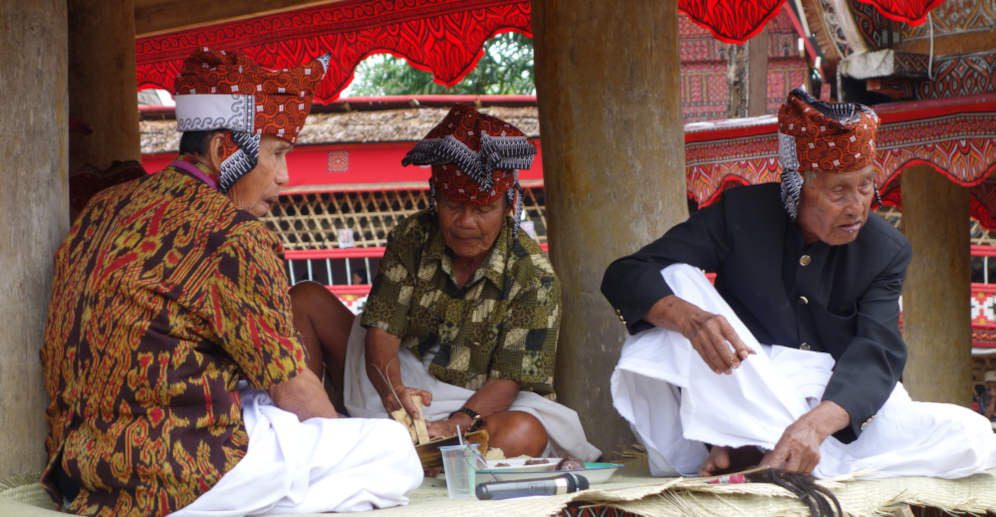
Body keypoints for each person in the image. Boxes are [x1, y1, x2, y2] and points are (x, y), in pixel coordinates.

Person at [40, 49, 422, 517]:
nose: (285, 177)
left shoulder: (105, 206)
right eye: (277, 154)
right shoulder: (235, 235)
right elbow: (292, 389)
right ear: (225, 150)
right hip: (174, 473)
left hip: (80, 470)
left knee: (260, 406)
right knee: (389, 448)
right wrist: (339, 438)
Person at [602, 88, 996, 480]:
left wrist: (813, 427)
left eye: (865, 186)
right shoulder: (741, 214)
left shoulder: (885, 250)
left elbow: (877, 352)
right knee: (673, 280)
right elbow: (627, 273)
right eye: (838, 190)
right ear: (797, 186)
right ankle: (751, 444)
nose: (857, 207)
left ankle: (765, 451)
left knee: (972, 437)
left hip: (832, 404)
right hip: (742, 384)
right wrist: (691, 321)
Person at [291, 105, 601, 462]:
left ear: (509, 205)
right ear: (434, 196)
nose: (465, 222)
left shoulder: (534, 277)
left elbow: (508, 380)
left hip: (481, 405)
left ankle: (413, 457)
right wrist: (394, 393)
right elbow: (382, 331)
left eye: (482, 209)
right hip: (399, 387)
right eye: (453, 205)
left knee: (521, 433)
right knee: (305, 299)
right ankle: (312, 435)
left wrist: (455, 424)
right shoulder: (413, 236)